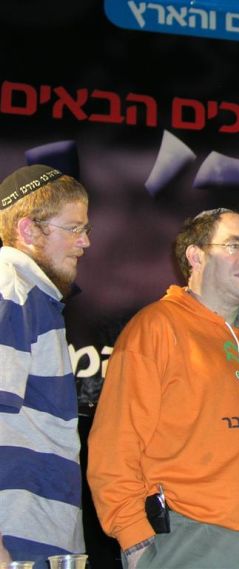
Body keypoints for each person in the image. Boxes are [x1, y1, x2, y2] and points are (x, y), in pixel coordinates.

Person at [87, 208, 239, 569]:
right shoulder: (156, 326)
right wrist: (134, 537)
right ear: (196, 256)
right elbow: (114, 444)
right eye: (235, 245)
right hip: (187, 540)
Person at [0, 164, 91, 567]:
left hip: (37, 539)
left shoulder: (32, 294)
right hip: (15, 544)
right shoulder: (10, 287)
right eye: (73, 228)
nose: (85, 241)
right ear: (28, 230)